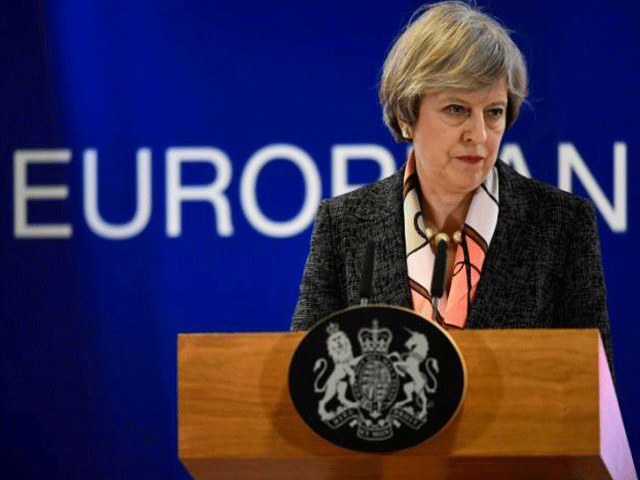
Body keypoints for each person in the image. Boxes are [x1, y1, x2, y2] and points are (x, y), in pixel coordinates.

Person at [290, 1, 613, 373]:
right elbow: (308, 375)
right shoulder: (344, 223)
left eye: (493, 112)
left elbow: (592, 396)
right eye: (456, 109)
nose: (478, 135)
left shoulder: (562, 224)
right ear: (406, 115)